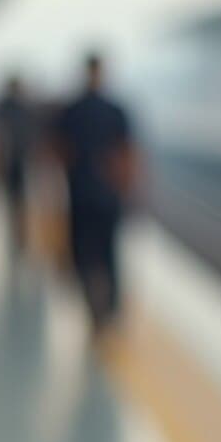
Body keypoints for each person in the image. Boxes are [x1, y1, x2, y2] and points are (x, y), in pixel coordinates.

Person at [55, 52, 139, 334]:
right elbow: (128, 153)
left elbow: (59, 151)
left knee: (85, 251)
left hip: (80, 193)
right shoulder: (115, 110)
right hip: (105, 194)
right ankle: (109, 309)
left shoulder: (71, 109)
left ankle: (95, 304)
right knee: (108, 252)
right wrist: (127, 188)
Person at [0, 75, 35, 257]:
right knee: (16, 203)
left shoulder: (14, 109)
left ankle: (20, 240)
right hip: (13, 162)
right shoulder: (15, 109)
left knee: (19, 204)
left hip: (18, 162)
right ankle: (18, 240)